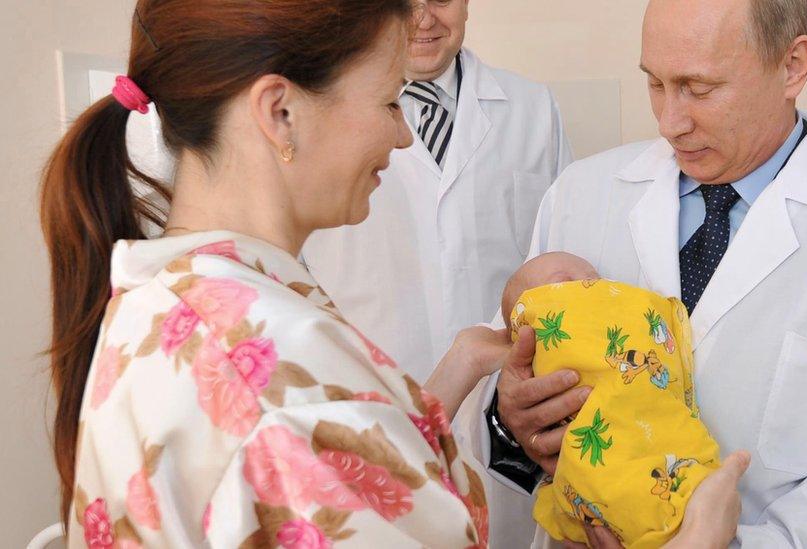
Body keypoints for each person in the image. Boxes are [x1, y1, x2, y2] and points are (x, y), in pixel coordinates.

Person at [38, 0, 746, 546]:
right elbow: (306, 427)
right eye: (386, 100)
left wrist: (460, 366)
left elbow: (323, 463)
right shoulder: (274, 368)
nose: (402, 131)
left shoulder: (169, 295)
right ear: (280, 112)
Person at [466, 0, 807, 546]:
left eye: (699, 88)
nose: (669, 121)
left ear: (793, 66)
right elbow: (510, 384)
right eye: (655, 83)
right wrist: (508, 421)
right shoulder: (582, 194)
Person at [300, 0, 573, 544]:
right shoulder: (317, 109)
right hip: (370, 415)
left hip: (506, 423)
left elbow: (563, 261)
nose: (423, 17)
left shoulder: (531, 109)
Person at [502, 253, 722, 547]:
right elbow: (513, 339)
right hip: (587, 479)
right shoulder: (564, 224)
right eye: (567, 283)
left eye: (594, 279)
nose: (592, 283)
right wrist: (515, 408)